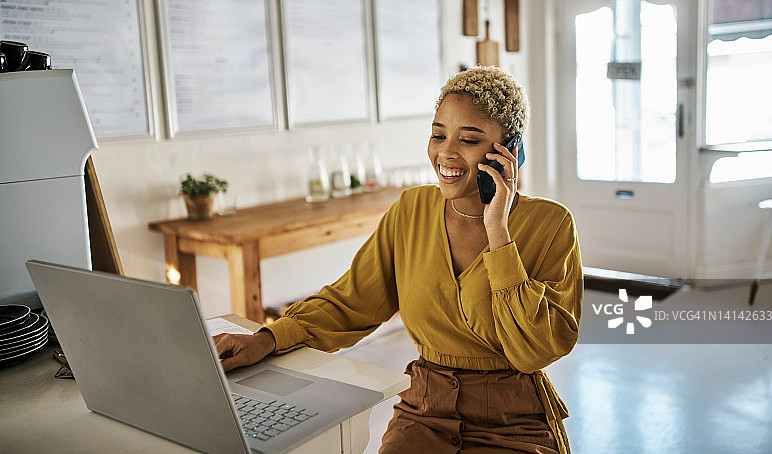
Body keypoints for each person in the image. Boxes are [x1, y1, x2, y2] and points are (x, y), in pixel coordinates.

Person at [214, 66, 583, 454]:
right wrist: (266, 339)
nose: (446, 153)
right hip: (425, 411)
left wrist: (499, 233)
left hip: (512, 422)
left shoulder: (551, 224)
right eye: (439, 135)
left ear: (510, 149)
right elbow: (350, 302)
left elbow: (535, 349)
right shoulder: (411, 210)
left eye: (469, 140)